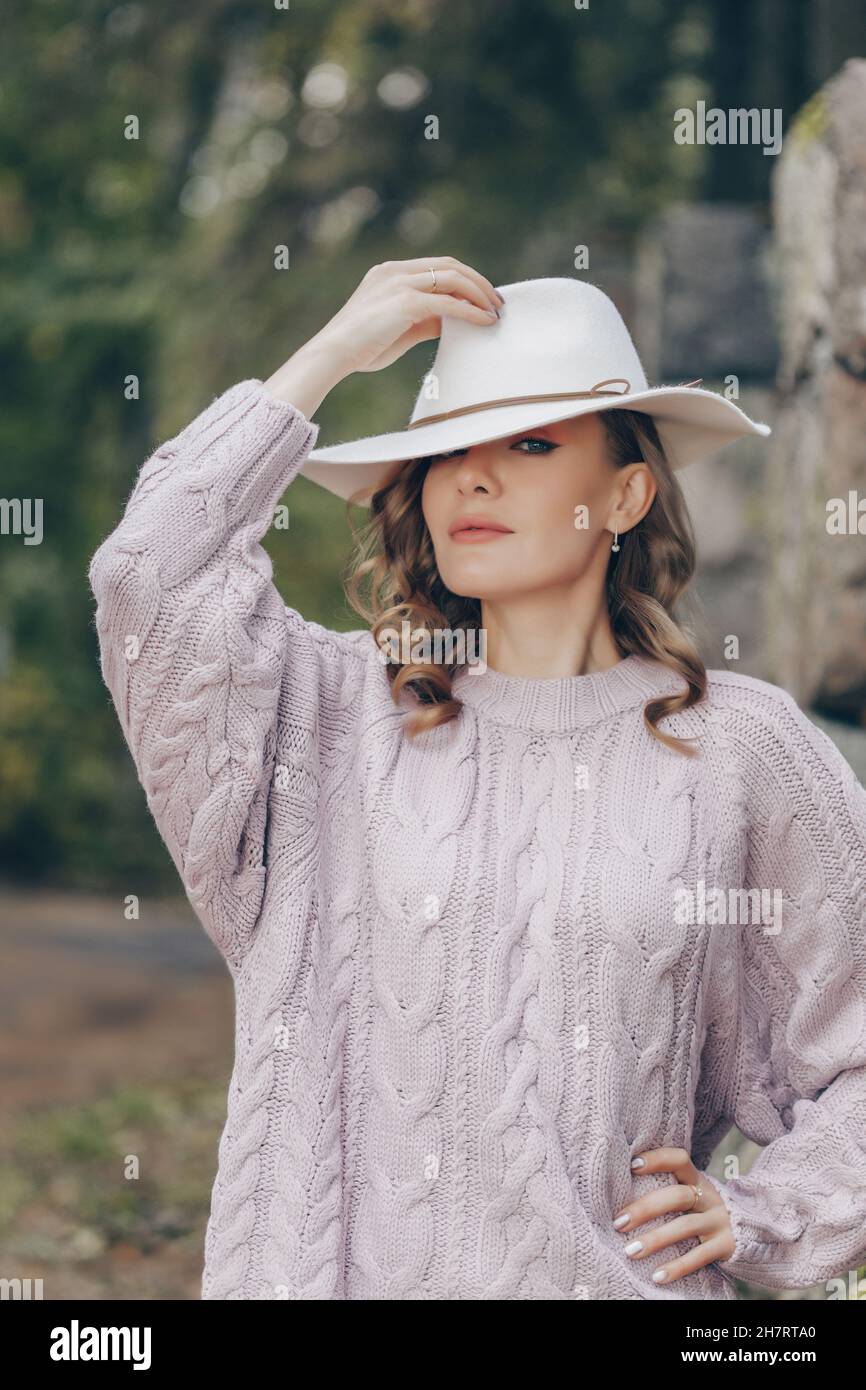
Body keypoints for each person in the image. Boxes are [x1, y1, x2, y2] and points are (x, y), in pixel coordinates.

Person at [88, 261, 866, 1300]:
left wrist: (764, 1219)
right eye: (447, 449)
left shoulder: (739, 749)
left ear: (626, 492)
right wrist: (328, 355)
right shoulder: (329, 720)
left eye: (531, 443)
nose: (473, 476)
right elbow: (148, 573)